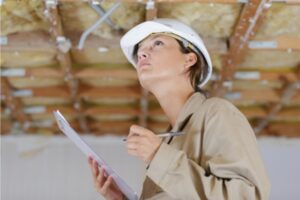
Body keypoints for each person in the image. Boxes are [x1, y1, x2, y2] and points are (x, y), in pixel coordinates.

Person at [88, 18, 270, 200]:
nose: (142, 53)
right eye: (140, 50)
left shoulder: (217, 113)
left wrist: (159, 157)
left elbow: (247, 196)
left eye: (157, 43)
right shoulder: (168, 143)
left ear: (189, 59)